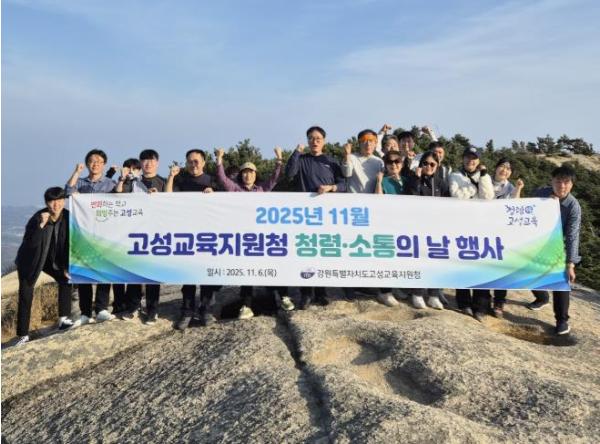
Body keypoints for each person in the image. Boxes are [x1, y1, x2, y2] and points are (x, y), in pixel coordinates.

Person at [215, 146, 294, 318]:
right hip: (245, 239)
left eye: (251, 172)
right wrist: (219, 159)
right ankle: (246, 306)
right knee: (247, 271)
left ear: (255, 175)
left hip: (263, 237)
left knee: (273, 266)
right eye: (244, 172)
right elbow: (222, 179)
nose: (247, 175)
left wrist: (279, 159)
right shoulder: (236, 190)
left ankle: (284, 297)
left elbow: (275, 177)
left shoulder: (262, 189)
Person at [285, 126, 346, 308]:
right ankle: (306, 293)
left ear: (324, 141)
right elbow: (289, 174)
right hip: (305, 215)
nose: (315, 141)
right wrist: (296, 152)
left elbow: (343, 184)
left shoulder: (331, 161)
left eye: (318, 138)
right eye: (311, 138)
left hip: (326, 215)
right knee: (306, 252)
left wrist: (331, 188)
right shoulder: (301, 159)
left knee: (322, 252)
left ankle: (321, 292)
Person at [167, 149, 221, 330]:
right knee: (188, 275)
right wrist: (171, 176)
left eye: (196, 161)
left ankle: (206, 311)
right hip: (187, 234)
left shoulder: (212, 180)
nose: (193, 164)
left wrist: (213, 193)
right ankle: (187, 311)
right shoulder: (181, 180)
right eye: (189, 161)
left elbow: (226, 202)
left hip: (209, 234)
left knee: (208, 275)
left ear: (204, 162)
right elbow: (168, 197)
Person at [14, 187, 75, 346]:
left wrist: (66, 266)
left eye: (60, 200)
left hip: (51, 259)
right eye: (52, 201)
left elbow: (70, 243)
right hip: (31, 260)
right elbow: (30, 243)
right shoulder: (37, 218)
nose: (56, 205)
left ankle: (63, 319)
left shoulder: (68, 217)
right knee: (26, 294)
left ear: (64, 201)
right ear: (47, 203)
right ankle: (22, 335)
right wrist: (41, 226)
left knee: (65, 279)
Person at [527, 165, 581, 335]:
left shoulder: (573, 206)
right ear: (552, 181)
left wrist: (570, 264)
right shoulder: (540, 193)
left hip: (559, 246)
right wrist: (544, 204)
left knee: (561, 280)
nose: (562, 186)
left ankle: (562, 320)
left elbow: (572, 236)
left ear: (571, 184)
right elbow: (526, 214)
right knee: (526, 272)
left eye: (566, 182)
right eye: (558, 181)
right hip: (537, 242)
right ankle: (542, 298)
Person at [65, 149, 116, 325]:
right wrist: (76, 172)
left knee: (104, 270)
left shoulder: (110, 184)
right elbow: (68, 191)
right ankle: (85, 313)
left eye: (99, 161)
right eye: (92, 161)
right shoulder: (80, 182)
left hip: (103, 233)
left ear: (104, 164)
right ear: (87, 164)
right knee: (84, 273)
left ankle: (101, 308)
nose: (95, 164)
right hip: (82, 234)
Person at [115, 149, 166, 324]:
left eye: (151, 160)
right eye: (144, 160)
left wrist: (159, 197)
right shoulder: (133, 182)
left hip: (156, 234)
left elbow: (172, 201)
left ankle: (152, 310)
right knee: (134, 271)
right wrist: (122, 179)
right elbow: (119, 197)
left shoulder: (163, 182)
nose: (148, 163)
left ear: (157, 163)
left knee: (152, 273)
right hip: (134, 232)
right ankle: (133, 306)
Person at [449, 147, 494, 321]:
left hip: (481, 226)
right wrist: (475, 191)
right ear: (463, 159)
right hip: (460, 225)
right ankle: (464, 303)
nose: (471, 161)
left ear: (478, 160)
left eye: (474, 158)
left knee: (481, 265)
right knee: (462, 263)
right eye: (468, 157)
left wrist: (482, 177)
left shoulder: (485, 176)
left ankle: (481, 306)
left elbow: (488, 197)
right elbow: (456, 196)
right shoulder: (455, 175)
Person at [404, 151, 449, 310]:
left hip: (437, 228)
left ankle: (434, 295)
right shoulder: (412, 180)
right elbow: (411, 200)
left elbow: (450, 205)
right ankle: (417, 293)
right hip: (417, 228)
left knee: (436, 261)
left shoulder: (441, 183)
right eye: (425, 163)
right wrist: (416, 179)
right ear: (420, 164)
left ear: (437, 166)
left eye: (432, 164)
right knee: (419, 261)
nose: (428, 167)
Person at [490, 158, 525, 317]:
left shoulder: (511, 187)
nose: (504, 170)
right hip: (482, 231)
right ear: (496, 168)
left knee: (501, 268)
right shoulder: (484, 181)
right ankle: (482, 298)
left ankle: (499, 302)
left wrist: (518, 189)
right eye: (502, 167)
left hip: (502, 234)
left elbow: (515, 207)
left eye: (508, 169)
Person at [342, 129, 384, 194]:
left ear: (375, 144)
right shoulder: (351, 157)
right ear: (359, 143)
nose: (368, 144)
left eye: (371, 140)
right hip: (354, 198)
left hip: (373, 198)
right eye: (364, 141)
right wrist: (347, 155)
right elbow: (347, 173)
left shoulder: (379, 161)